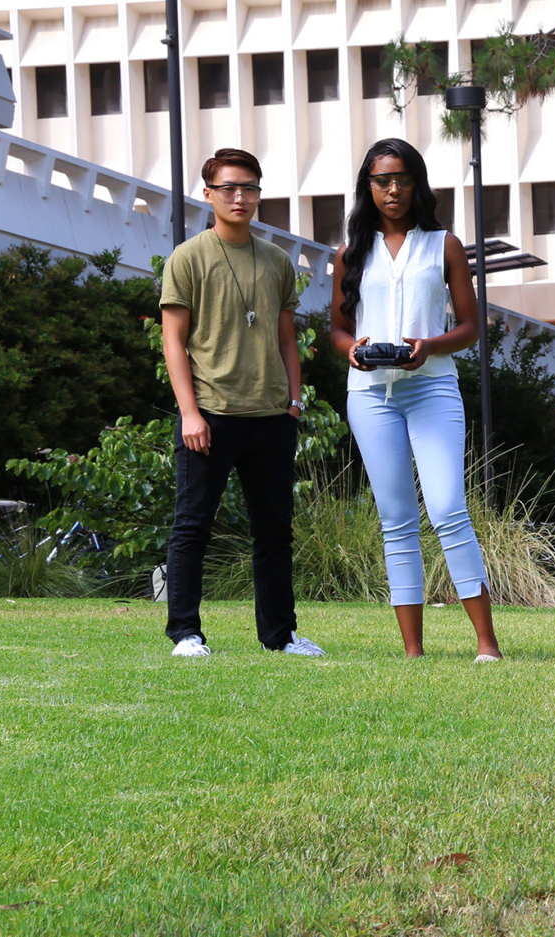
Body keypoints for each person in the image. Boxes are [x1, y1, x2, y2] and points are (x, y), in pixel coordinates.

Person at [329, 138, 502, 662]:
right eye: (382, 180)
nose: (393, 189)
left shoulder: (443, 245)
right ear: (368, 187)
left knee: (449, 506)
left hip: (432, 386)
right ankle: (412, 651)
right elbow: (336, 329)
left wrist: (429, 346)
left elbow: (471, 326)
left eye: (402, 178)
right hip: (370, 396)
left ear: (417, 183)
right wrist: (353, 351)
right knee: (397, 517)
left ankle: (487, 644)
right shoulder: (350, 254)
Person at [159, 147, 324, 658]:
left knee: (274, 531)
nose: (239, 196)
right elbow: (173, 341)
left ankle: (281, 636)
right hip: (210, 414)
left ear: (258, 195)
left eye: (249, 187)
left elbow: (286, 339)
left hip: (271, 416)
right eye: (228, 188)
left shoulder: (277, 261)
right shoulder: (187, 258)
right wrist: (189, 412)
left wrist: (294, 401)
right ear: (208, 195)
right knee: (193, 526)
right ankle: (186, 633)